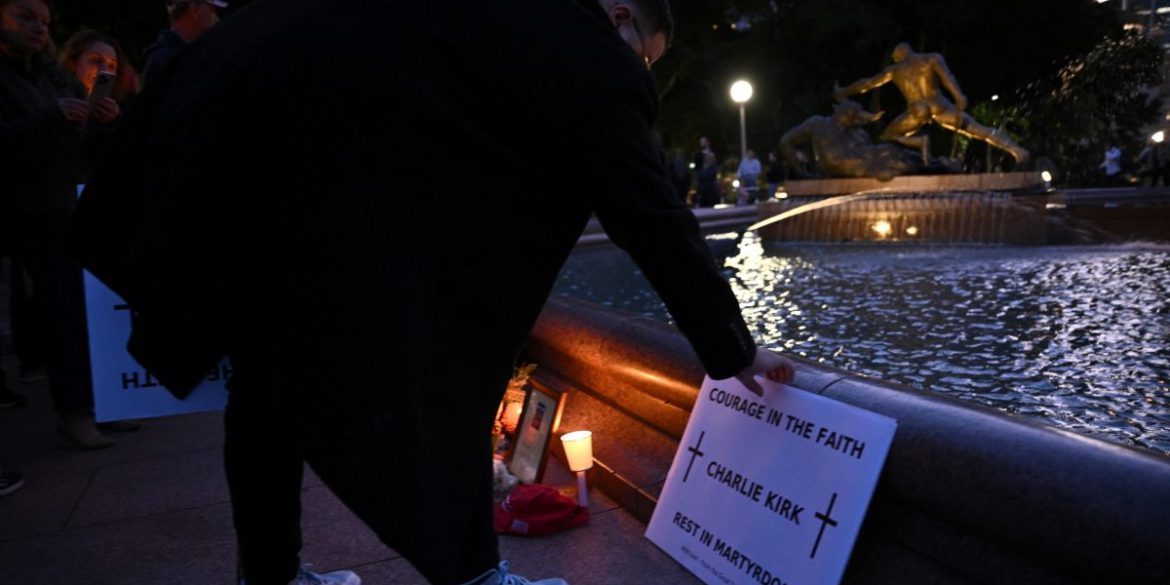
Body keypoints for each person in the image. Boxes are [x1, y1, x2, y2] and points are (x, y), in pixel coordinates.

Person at [69, 1, 795, 585]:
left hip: (237, 112)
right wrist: (732, 349)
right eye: (645, 59)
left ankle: (269, 571)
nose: (637, 76)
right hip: (293, 137)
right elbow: (652, 212)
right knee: (450, 364)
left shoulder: (488, 26)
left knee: (264, 368)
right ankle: (473, 573)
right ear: (620, 20)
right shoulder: (582, 41)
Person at [0, 0, 117, 449]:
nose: (38, 28)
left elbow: (81, 146)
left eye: (45, 21)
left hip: (71, 207)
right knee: (64, 315)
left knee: (89, 314)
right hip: (34, 214)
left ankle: (101, 403)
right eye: (26, 16)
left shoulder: (47, 74)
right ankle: (76, 411)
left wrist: (102, 123)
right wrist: (50, 119)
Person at [833, 42, 1029, 166]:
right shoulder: (931, 58)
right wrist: (959, 96)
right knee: (978, 130)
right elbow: (947, 78)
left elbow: (867, 83)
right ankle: (1017, 150)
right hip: (939, 105)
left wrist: (843, 92)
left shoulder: (895, 70)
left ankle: (920, 142)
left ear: (899, 56)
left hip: (917, 110)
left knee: (889, 134)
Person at [141, 0, 226, 86]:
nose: (217, 19)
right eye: (212, 11)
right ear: (195, 10)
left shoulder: (165, 58)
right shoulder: (169, 60)